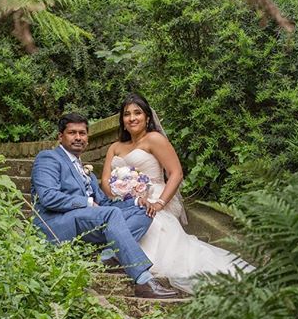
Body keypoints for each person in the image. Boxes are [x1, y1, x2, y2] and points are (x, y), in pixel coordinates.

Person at [101, 93, 254, 293]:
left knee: (155, 235)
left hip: (152, 198)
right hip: (124, 202)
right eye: (127, 114)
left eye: (137, 113)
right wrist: (119, 193)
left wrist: (159, 203)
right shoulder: (115, 147)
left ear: (147, 117)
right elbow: (105, 180)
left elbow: (176, 173)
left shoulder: (154, 139)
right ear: (122, 120)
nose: (132, 118)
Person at [30, 112, 178, 299]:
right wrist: (87, 203)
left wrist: (134, 201)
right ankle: (143, 280)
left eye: (82, 133)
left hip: (86, 221)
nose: (78, 138)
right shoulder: (48, 158)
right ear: (61, 136)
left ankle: (109, 254)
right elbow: (48, 197)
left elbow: (105, 203)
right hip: (56, 222)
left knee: (144, 210)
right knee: (110, 215)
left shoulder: (88, 173)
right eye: (72, 133)